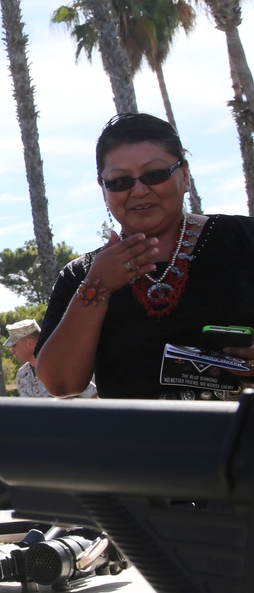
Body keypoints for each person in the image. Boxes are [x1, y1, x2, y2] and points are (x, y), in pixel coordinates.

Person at [35, 112, 254, 400]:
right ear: (103, 187)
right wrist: (97, 287)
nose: (139, 191)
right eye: (120, 181)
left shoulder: (243, 239)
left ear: (185, 174)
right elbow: (61, 384)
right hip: (137, 442)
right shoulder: (82, 274)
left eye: (155, 175)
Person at [5, 319, 96, 398]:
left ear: (30, 343)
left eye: (14, 345)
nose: (12, 350)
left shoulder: (63, 367)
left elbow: (94, 397)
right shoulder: (22, 374)